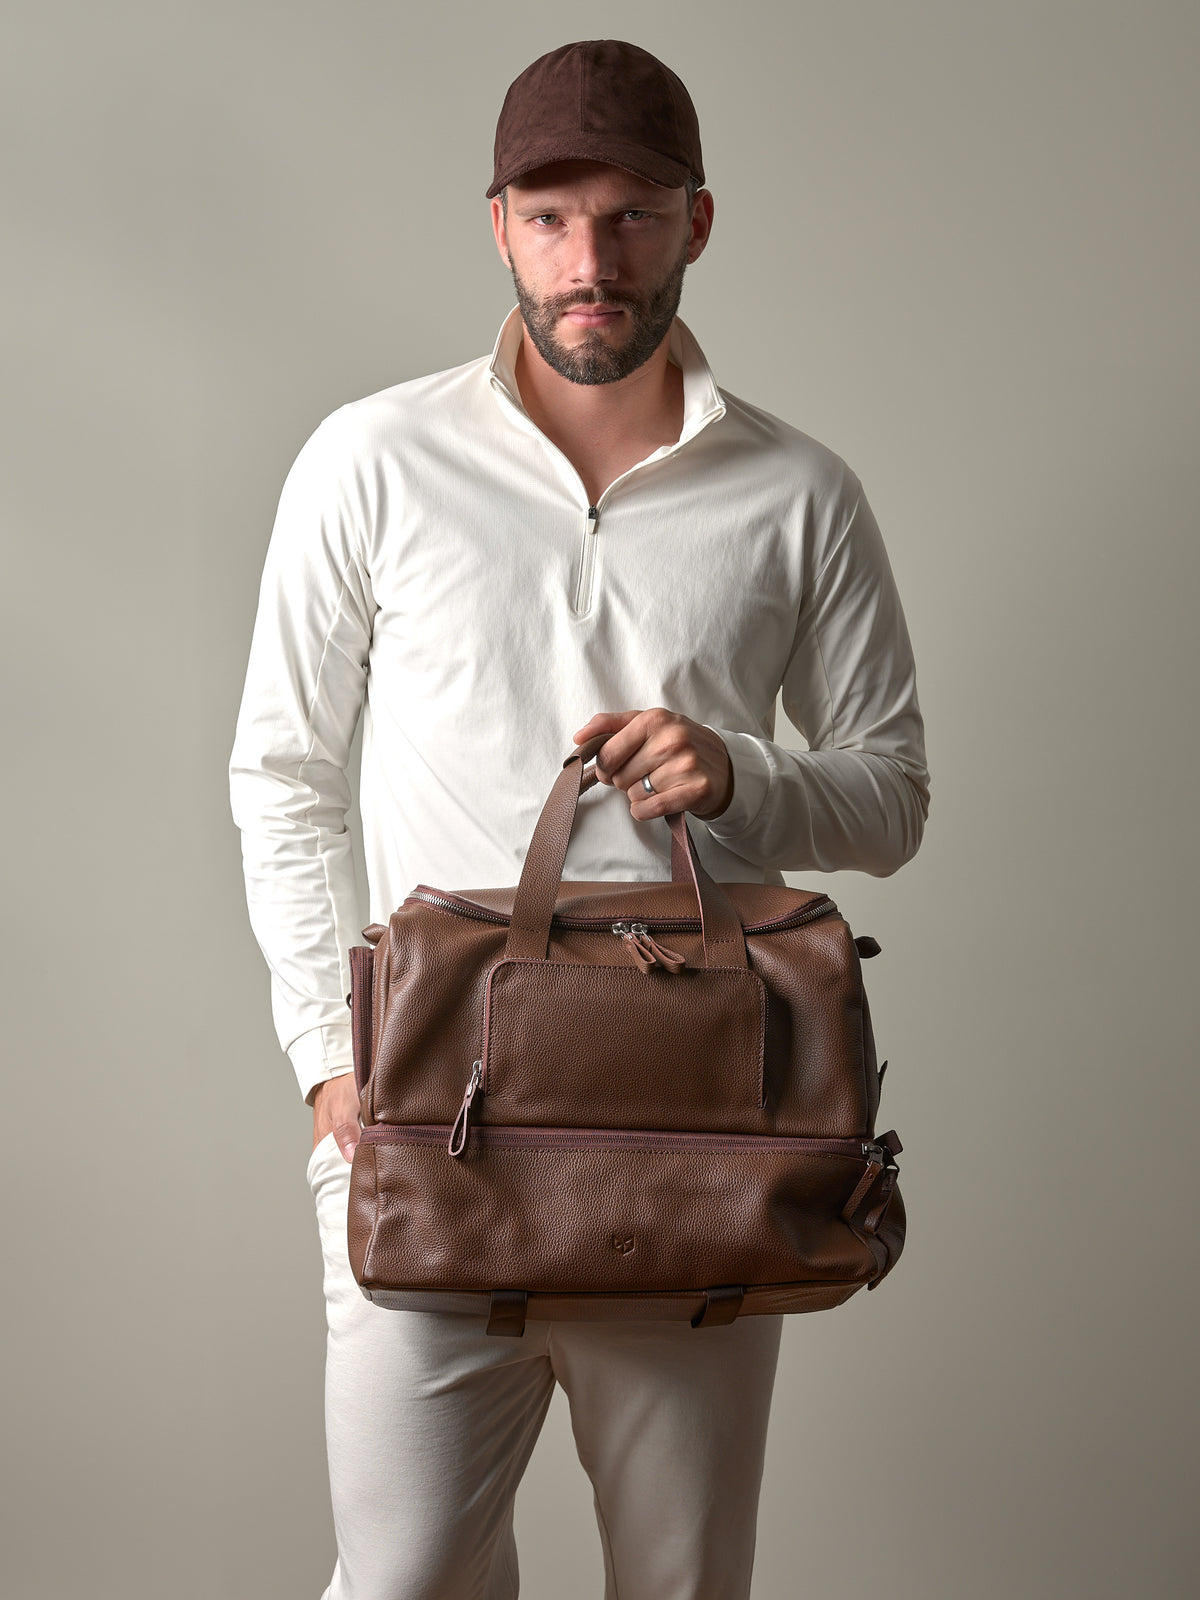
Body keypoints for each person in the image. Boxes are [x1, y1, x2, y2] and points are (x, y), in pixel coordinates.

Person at [228, 37, 930, 1600]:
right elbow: (279, 766)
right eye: (551, 218)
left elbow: (892, 793)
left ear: (698, 220)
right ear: (497, 224)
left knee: (680, 1589)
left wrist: (747, 773)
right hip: (432, 1125)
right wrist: (324, 1064)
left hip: (690, 1137)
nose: (589, 260)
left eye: (630, 216)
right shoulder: (374, 457)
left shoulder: (800, 491)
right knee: (404, 1582)